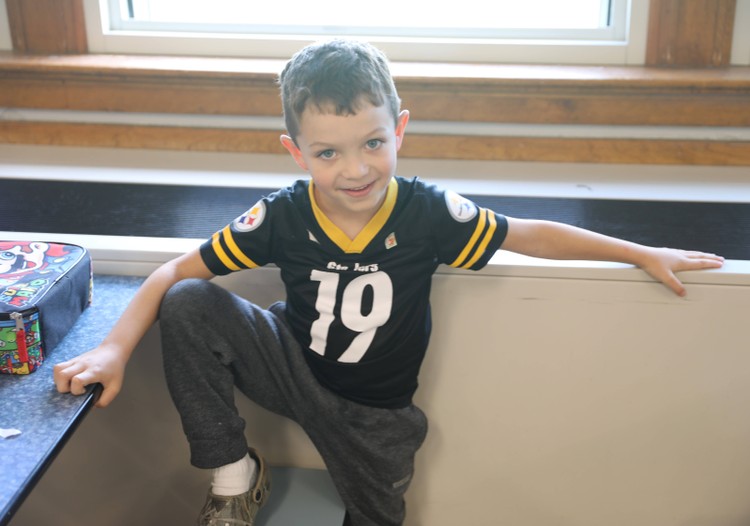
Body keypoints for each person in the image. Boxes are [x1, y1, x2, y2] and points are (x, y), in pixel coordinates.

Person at [53, 39, 725, 526]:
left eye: (373, 143)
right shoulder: (284, 213)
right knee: (191, 302)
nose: (355, 169)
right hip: (292, 366)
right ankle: (236, 479)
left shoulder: (427, 211)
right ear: (296, 153)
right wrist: (114, 348)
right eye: (328, 152)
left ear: (399, 131)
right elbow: (177, 271)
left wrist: (638, 250)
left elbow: (528, 232)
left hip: (375, 416)